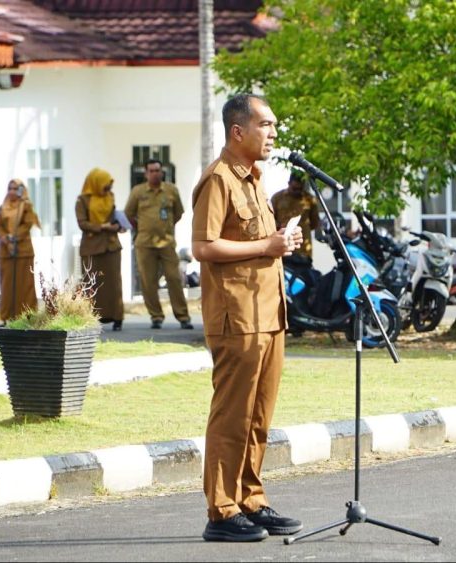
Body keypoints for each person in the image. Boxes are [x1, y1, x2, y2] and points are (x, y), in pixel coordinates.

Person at [192, 93, 304, 542]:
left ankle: (250, 500)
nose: (273, 133)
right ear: (238, 131)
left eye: (274, 126)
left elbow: (259, 241)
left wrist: (279, 242)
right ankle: (221, 511)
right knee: (232, 415)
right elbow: (204, 247)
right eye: (266, 125)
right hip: (237, 317)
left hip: (269, 313)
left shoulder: (255, 179)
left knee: (259, 415)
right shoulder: (218, 180)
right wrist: (266, 247)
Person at [124, 159, 193, 330]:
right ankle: (156, 316)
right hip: (145, 243)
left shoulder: (170, 190)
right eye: (152, 171)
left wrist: (165, 227)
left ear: (162, 172)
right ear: (146, 173)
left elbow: (178, 213)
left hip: (166, 242)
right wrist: (142, 227)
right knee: (148, 282)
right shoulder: (138, 191)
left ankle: (183, 316)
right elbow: (128, 214)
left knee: (174, 278)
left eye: (158, 170)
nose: (155, 173)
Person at [75, 168, 126, 331]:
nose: (108, 189)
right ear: (96, 183)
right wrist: (101, 227)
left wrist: (119, 225)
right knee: (92, 283)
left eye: (110, 186)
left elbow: (114, 217)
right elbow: (82, 223)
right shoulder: (82, 200)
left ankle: (117, 317)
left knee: (114, 283)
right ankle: (94, 317)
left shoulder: (110, 197)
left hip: (111, 246)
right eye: (106, 185)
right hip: (92, 247)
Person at [0, 179, 40, 322]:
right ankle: (7, 317)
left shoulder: (26, 206)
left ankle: (27, 317)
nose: (12, 192)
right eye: (10, 188)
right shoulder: (3, 207)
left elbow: (27, 225)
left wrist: (14, 237)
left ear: (21, 190)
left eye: (15, 189)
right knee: (7, 285)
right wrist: (4, 238)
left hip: (23, 251)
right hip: (5, 252)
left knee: (25, 286)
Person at [270, 170, 319, 264]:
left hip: (303, 250)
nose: (297, 191)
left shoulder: (310, 199)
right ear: (289, 183)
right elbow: (270, 220)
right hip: (283, 248)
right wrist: (281, 228)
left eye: (300, 189)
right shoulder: (277, 198)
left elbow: (314, 223)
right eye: (294, 188)